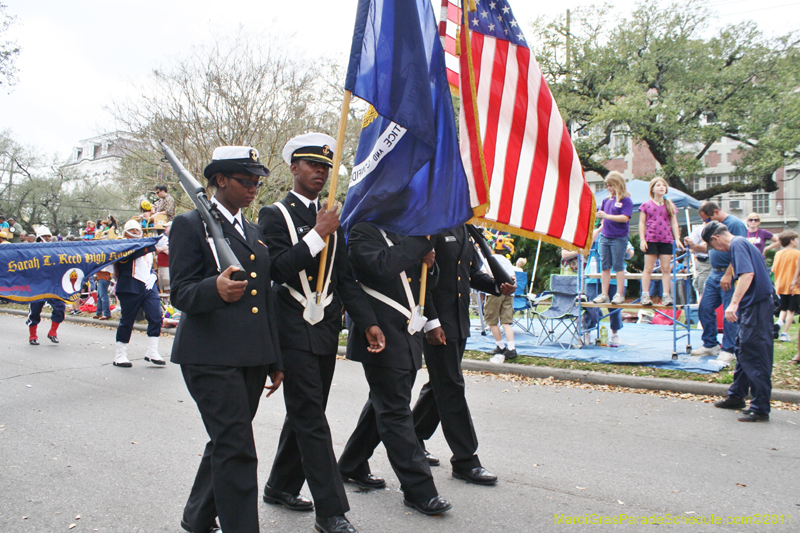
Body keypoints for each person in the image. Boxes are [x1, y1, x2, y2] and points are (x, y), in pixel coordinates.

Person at [257, 133, 384, 533]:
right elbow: (277, 269)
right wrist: (317, 234)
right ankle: (331, 512)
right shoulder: (274, 215)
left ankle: (280, 485)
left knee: (305, 413)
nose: (320, 172)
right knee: (311, 418)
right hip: (291, 329)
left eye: (326, 167)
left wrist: (368, 322)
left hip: (324, 329)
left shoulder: (331, 218)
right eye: (313, 165)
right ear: (293, 168)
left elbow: (344, 279)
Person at [170, 145, 283, 533]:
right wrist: (212, 289)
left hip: (250, 356)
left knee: (227, 441)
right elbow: (180, 292)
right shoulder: (190, 225)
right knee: (237, 448)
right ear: (220, 179)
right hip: (209, 356)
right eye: (245, 180)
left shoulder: (253, 231)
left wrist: (274, 359)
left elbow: (265, 298)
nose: (253, 188)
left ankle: (198, 517)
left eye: (256, 182)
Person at [338, 222, 452, 517]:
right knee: (395, 412)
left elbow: (422, 285)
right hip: (380, 334)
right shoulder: (363, 231)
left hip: (408, 335)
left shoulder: (406, 234)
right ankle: (420, 490)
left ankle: (351, 464)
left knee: (384, 403)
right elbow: (380, 268)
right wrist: (420, 244)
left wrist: (430, 265)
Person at [411, 224, 513, 485]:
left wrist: (496, 286)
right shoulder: (432, 225)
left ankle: (412, 437)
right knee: (451, 386)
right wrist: (431, 323)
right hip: (438, 324)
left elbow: (470, 273)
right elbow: (421, 279)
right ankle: (465, 459)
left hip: (458, 321)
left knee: (440, 385)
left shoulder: (463, 229)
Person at [704, 222, 774, 422]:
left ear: (716, 239)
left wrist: (733, 304)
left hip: (757, 306)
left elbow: (747, 274)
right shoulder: (741, 243)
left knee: (755, 354)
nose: (717, 250)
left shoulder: (737, 244)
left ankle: (760, 408)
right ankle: (736, 396)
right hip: (753, 306)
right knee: (743, 350)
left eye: (713, 246)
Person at [685, 202, 747, 363]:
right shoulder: (714, 227)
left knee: (729, 312)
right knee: (704, 307)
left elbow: (740, 251)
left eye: (707, 219)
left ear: (716, 212)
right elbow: (707, 248)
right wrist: (693, 246)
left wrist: (729, 273)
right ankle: (710, 344)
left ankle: (729, 349)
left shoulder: (735, 224)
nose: (706, 223)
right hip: (714, 273)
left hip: (728, 275)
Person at [112, 220, 164, 368]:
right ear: (126, 231)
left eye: (137, 229)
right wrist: (153, 246)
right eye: (132, 229)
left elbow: (148, 265)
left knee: (156, 316)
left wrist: (153, 275)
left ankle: (152, 351)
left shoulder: (145, 244)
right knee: (128, 320)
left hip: (148, 285)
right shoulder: (122, 244)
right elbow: (128, 257)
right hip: (130, 286)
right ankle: (120, 354)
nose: (135, 232)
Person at [638, 177, 684, 306]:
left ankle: (666, 296)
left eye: (663, 185)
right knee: (648, 268)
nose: (661, 187)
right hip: (651, 238)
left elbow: (674, 223)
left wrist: (677, 239)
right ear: (652, 189)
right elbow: (641, 223)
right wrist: (642, 240)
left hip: (666, 239)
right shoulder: (646, 205)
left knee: (666, 268)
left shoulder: (670, 205)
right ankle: (645, 295)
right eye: (658, 185)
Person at [592, 172, 632, 305]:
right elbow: (602, 217)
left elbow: (624, 218)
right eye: (608, 186)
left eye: (611, 185)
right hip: (605, 237)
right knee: (605, 266)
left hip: (619, 238)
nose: (609, 188)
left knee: (618, 265)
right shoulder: (606, 200)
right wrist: (599, 217)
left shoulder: (626, 200)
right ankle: (604, 294)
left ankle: (619, 294)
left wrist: (607, 216)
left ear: (618, 184)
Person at [26, 227, 66, 345]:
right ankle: (33, 336)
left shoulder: (55, 250)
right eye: (46, 236)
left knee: (60, 307)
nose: (48, 238)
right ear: (40, 237)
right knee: (34, 311)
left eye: (49, 236)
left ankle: (52, 332)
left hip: (52, 285)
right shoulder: (31, 250)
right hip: (37, 286)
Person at [486, 250, 518, 363]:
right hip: (509, 293)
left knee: (492, 321)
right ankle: (511, 348)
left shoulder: (488, 259)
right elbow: (514, 277)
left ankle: (500, 346)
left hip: (494, 292)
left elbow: (484, 274)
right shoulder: (507, 261)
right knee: (506, 322)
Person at [771, 231, 799, 342]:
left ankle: (778, 323)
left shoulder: (778, 254)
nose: (798, 241)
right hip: (794, 286)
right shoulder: (797, 254)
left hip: (781, 285)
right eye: (796, 239)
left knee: (783, 308)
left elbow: (774, 269)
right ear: (791, 241)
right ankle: (784, 333)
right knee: (791, 311)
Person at [685, 221, 711, 303]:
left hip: (719, 262)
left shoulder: (721, 227)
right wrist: (703, 246)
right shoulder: (698, 230)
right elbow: (691, 249)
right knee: (703, 291)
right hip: (704, 263)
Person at [155, 222, 171, 294]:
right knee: (162, 285)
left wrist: (162, 249)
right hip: (161, 265)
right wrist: (163, 249)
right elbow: (156, 249)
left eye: (166, 227)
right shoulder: (162, 237)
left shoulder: (175, 238)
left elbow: (170, 251)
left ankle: (169, 299)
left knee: (167, 285)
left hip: (167, 266)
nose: (165, 229)